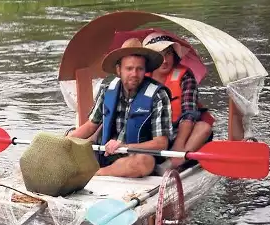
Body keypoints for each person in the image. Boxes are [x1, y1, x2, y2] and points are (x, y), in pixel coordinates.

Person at [68, 38, 174, 178]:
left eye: (139, 69)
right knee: (71, 143)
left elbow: (161, 143)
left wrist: (125, 146)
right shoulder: (107, 90)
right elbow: (90, 126)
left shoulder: (158, 95)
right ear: (119, 70)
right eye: (129, 68)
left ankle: (98, 174)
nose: (134, 74)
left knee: (144, 161)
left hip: (135, 157)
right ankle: (96, 171)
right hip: (105, 154)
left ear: (145, 71)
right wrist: (65, 140)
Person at [142, 31, 215, 171]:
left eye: (168, 53)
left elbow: (189, 113)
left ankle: (174, 162)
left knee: (204, 128)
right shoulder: (140, 76)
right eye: (159, 54)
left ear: (174, 55)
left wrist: (179, 146)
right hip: (153, 133)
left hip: (181, 132)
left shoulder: (185, 76)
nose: (164, 60)